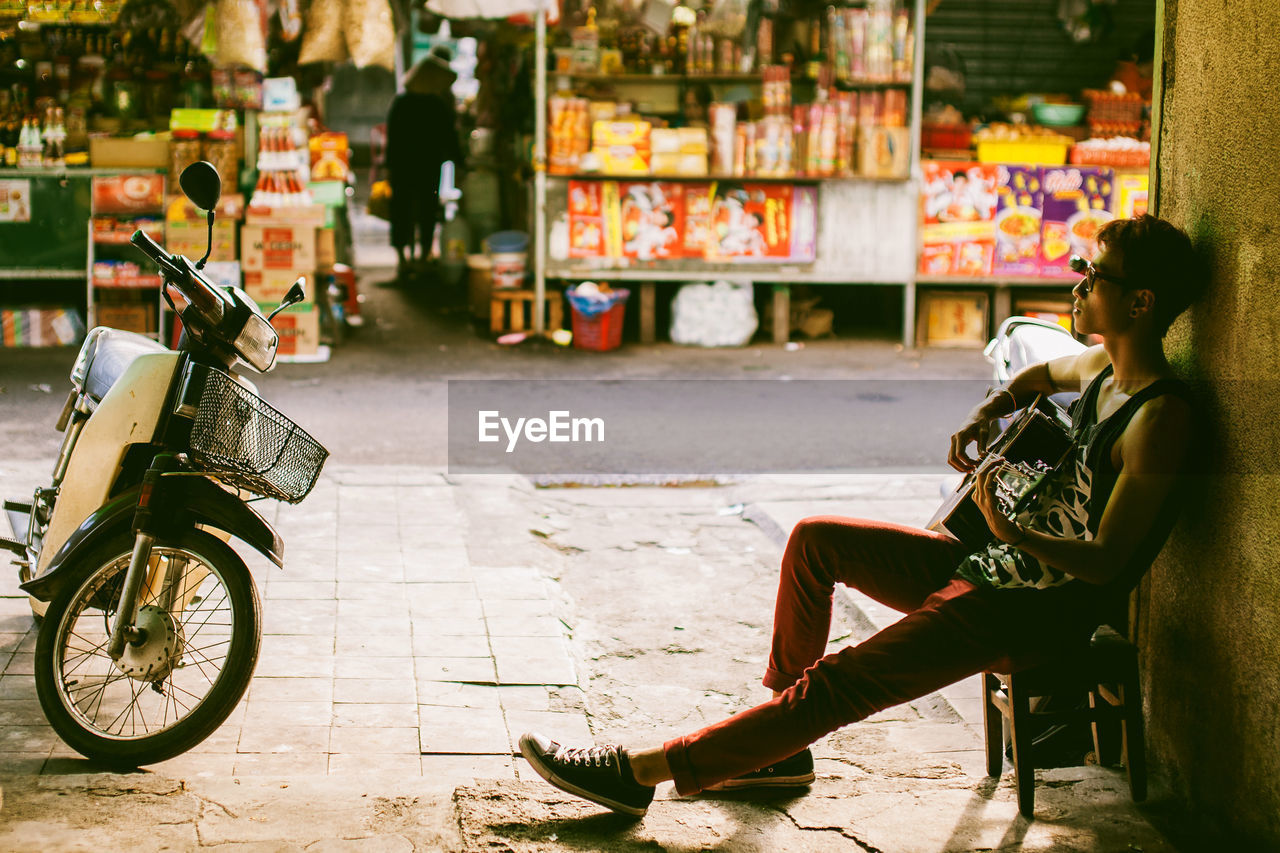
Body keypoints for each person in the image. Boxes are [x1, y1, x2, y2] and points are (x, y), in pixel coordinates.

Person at [517, 214, 1207, 817]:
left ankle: (641, 771)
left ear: (1141, 303)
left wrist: (1013, 531)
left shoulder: (1160, 417)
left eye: (1097, 275)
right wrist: (984, 414)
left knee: (844, 681)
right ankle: (779, 746)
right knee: (816, 540)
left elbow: (1112, 560)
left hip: (1030, 608)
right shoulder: (1098, 368)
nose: (1080, 285)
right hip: (994, 564)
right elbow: (1034, 377)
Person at [386, 44, 464, 281]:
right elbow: (450, 138)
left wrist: (389, 167)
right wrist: (460, 162)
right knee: (426, 211)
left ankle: (404, 260)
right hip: (428, 167)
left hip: (402, 167)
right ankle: (421, 259)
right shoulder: (436, 105)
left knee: (402, 210)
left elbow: (392, 139)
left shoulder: (402, 103)